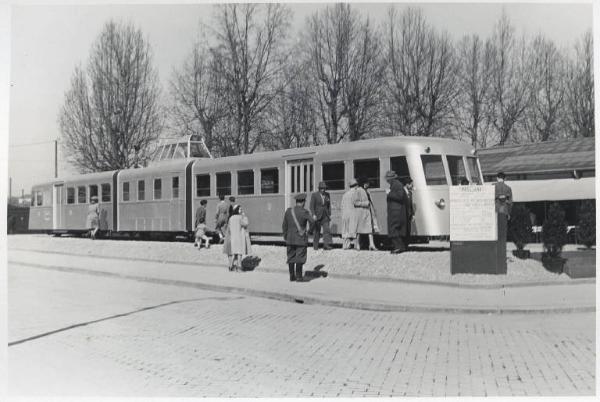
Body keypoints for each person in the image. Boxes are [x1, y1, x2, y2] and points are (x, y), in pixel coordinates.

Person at [282, 193, 315, 282]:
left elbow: (284, 225)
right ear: (303, 202)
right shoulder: (304, 212)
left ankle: (292, 276)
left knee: (291, 257)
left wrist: (286, 236)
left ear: (296, 202)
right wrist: (309, 231)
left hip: (290, 238)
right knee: (300, 257)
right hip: (300, 239)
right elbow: (312, 222)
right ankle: (299, 277)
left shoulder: (288, 211)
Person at [223, 204, 252, 271]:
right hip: (239, 237)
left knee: (234, 252)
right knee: (239, 252)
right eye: (240, 209)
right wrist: (244, 216)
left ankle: (231, 265)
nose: (241, 210)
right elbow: (246, 224)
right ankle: (239, 266)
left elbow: (229, 228)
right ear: (237, 210)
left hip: (233, 237)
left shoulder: (231, 218)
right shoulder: (240, 217)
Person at [385, 171, 408, 254]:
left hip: (396, 211)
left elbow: (400, 196)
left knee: (393, 228)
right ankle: (400, 247)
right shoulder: (396, 184)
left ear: (390, 178)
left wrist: (389, 193)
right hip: (396, 211)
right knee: (396, 229)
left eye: (387, 178)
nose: (386, 180)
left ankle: (398, 247)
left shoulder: (397, 184)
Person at [354, 177, 377, 251]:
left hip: (367, 212)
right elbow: (355, 203)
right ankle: (357, 244)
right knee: (359, 230)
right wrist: (365, 203)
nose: (368, 184)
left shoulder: (367, 191)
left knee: (370, 229)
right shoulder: (358, 191)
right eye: (367, 183)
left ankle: (372, 244)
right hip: (361, 212)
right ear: (364, 183)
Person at [309, 181, 332, 250]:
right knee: (317, 232)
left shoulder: (328, 194)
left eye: (324, 188)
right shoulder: (314, 195)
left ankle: (326, 245)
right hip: (317, 216)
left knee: (326, 230)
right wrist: (313, 214)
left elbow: (329, 205)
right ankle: (315, 246)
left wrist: (330, 213)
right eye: (322, 188)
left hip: (325, 216)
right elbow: (311, 206)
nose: (323, 190)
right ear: (319, 189)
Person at [341, 179, 359, 250]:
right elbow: (356, 203)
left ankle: (345, 245)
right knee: (354, 230)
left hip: (345, 214)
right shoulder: (356, 193)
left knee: (346, 230)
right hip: (353, 214)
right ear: (355, 186)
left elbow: (342, 205)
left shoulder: (345, 194)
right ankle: (356, 245)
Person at [402, 177, 415, 248]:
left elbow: (411, 204)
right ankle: (403, 245)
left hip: (409, 215)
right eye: (411, 185)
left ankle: (405, 245)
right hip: (403, 215)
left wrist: (412, 214)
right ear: (407, 184)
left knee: (408, 230)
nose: (412, 186)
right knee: (403, 230)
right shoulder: (401, 192)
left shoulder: (410, 193)